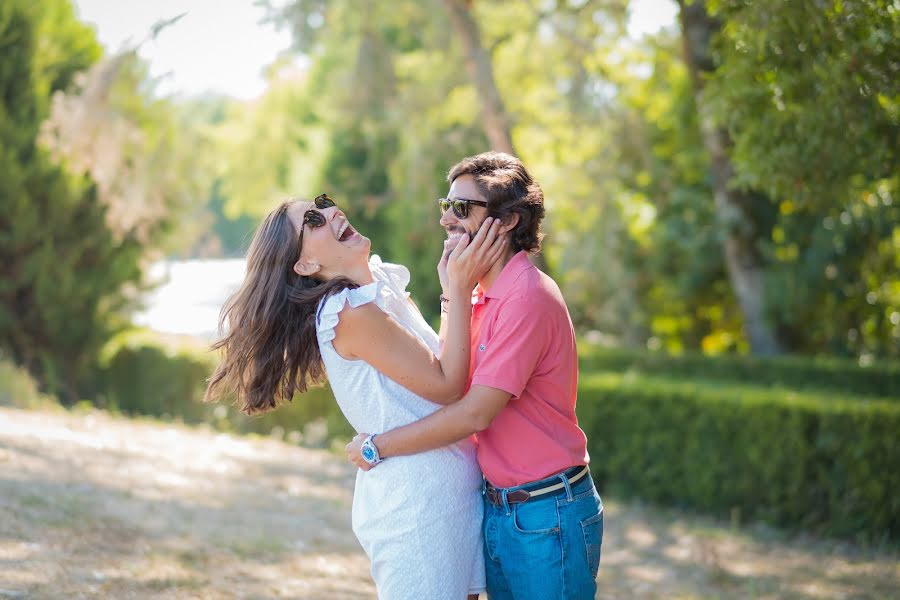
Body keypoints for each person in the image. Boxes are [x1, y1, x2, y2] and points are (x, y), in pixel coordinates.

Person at [204, 193, 506, 600]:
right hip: (417, 509)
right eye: (312, 219)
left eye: (324, 202)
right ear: (306, 265)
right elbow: (449, 385)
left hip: (451, 495)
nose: (331, 212)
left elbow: (442, 365)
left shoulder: (376, 287)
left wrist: (451, 293)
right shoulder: (346, 312)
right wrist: (459, 283)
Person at [347, 152, 604, 600]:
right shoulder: (481, 293)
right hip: (500, 508)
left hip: (547, 512)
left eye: (462, 208)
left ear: (506, 221)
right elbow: (447, 378)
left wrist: (377, 446)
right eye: (445, 205)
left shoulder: (526, 296)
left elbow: (475, 413)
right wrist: (454, 292)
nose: (446, 218)